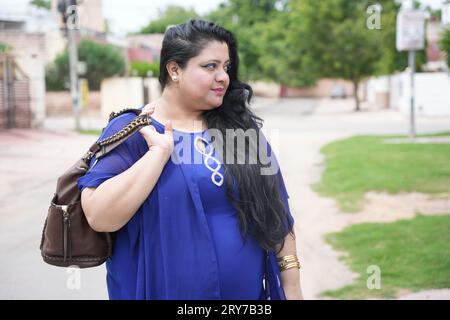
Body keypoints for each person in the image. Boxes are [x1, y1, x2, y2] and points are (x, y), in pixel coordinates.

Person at [78, 19, 303, 300]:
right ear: (174, 70)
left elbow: (277, 213)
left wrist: (292, 288)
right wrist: (157, 155)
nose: (223, 77)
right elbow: (99, 217)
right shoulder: (136, 129)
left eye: (226, 67)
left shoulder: (240, 130)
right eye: (210, 66)